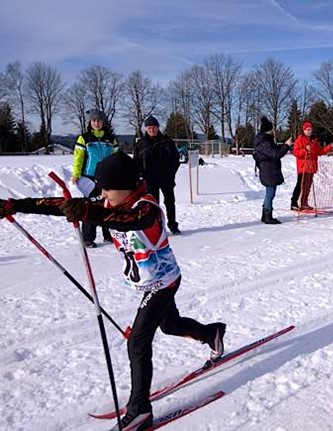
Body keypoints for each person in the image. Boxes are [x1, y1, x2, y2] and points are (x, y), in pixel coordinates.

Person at [0, 152, 226, 431]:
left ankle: (140, 410)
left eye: (107, 187)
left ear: (128, 186)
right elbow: (63, 204)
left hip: (163, 282)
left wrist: (90, 213)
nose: (102, 193)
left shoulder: (148, 207)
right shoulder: (109, 201)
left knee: (138, 343)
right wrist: (15, 205)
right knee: (169, 325)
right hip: (151, 282)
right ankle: (211, 334)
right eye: (101, 188)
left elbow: (131, 220)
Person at [72, 109, 119, 247]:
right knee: (91, 206)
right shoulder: (84, 138)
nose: (96, 123)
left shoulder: (111, 139)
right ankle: (88, 237)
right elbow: (78, 157)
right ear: (90, 122)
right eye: (93, 121)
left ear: (103, 122)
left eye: (98, 120)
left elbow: (116, 158)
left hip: (107, 176)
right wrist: (76, 174)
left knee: (107, 205)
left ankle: (108, 235)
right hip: (89, 177)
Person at [133, 116, 182, 234]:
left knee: (170, 202)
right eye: (149, 128)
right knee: (153, 205)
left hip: (166, 178)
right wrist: (140, 175)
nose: (152, 130)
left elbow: (176, 159)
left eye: (154, 127)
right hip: (150, 180)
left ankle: (173, 225)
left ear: (158, 128)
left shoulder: (167, 141)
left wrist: (171, 173)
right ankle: (156, 226)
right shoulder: (141, 143)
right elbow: (136, 162)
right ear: (146, 129)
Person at [253, 117, 292, 224]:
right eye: (273, 129)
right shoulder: (264, 142)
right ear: (269, 130)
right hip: (268, 171)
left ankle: (265, 215)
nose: (274, 131)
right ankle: (267, 216)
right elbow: (275, 154)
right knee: (270, 194)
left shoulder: (265, 141)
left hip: (269, 170)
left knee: (270, 194)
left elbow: (274, 151)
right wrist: (286, 146)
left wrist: (283, 146)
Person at [290, 121, 333, 211]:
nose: (310, 131)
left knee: (307, 186)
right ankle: (294, 203)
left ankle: (304, 203)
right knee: (300, 185)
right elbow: (296, 153)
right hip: (303, 167)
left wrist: (328, 148)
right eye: (308, 130)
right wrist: (305, 150)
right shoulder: (300, 140)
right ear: (304, 130)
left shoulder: (314, 140)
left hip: (311, 167)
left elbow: (319, 151)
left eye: (311, 129)